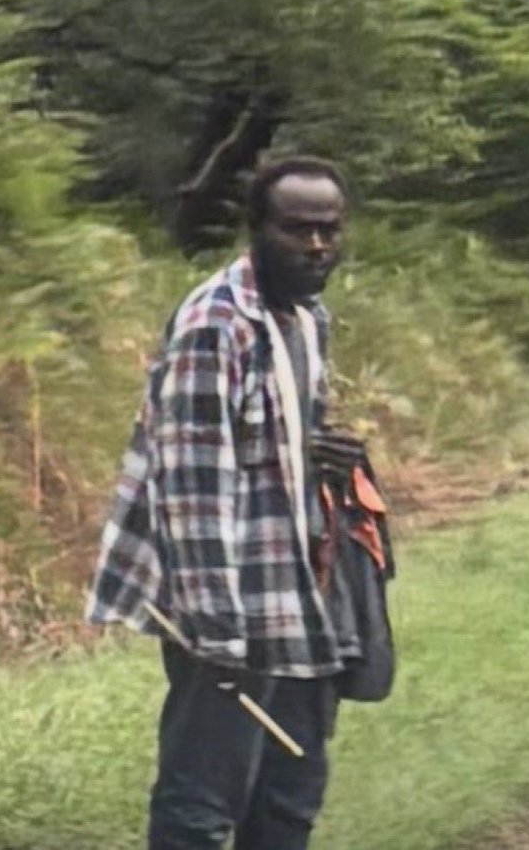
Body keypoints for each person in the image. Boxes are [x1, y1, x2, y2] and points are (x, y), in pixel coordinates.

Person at [85, 156, 351, 850]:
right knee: (202, 801)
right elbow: (192, 487)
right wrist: (217, 634)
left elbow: (273, 437)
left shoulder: (304, 316)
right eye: (297, 230)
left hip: (294, 587)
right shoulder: (216, 325)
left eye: (329, 230)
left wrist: (323, 453)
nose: (317, 246)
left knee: (290, 793)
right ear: (257, 229)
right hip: (226, 600)